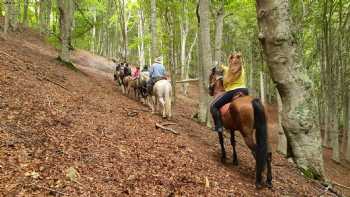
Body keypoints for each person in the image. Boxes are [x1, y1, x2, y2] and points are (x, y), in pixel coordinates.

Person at [210, 52, 249, 132]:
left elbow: (224, 68)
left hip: (233, 91)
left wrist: (215, 66)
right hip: (245, 91)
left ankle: (219, 126)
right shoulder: (243, 69)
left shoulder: (230, 70)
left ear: (231, 62)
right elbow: (224, 68)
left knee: (213, 106)